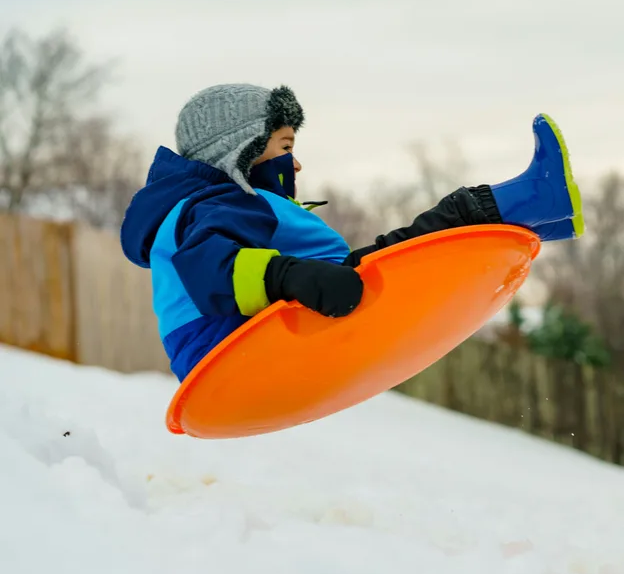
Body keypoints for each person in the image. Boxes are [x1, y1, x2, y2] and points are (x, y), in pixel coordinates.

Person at [120, 83, 583, 381]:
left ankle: (539, 215)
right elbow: (208, 267)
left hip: (236, 345)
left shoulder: (209, 206)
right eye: (284, 147)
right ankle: (531, 199)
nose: (295, 163)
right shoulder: (216, 205)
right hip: (229, 349)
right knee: (408, 249)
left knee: (393, 255)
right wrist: (288, 276)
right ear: (241, 150)